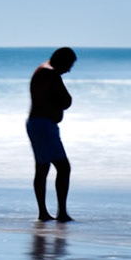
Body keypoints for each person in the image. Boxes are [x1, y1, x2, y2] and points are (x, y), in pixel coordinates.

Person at [27, 47, 77, 222]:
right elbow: (66, 99)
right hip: (42, 125)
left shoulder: (44, 70)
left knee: (45, 168)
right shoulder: (50, 73)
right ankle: (58, 212)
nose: (69, 69)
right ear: (61, 60)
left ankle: (47, 212)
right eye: (69, 65)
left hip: (41, 124)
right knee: (61, 167)